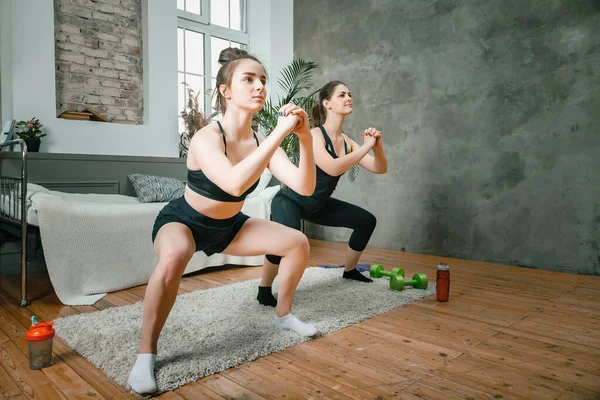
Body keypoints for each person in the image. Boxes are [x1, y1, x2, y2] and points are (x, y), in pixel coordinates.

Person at [127, 48, 317, 395]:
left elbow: (304, 186)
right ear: (226, 90)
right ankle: (146, 354)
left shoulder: (259, 141)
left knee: (297, 243)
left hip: (229, 226)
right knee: (173, 258)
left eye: (263, 80)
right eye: (248, 79)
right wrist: (280, 132)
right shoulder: (207, 137)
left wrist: (303, 137)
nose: (259, 86)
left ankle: (283, 316)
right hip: (184, 221)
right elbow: (232, 183)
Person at [257, 80, 388, 308]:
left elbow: (380, 168)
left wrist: (377, 147)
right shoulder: (315, 134)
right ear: (327, 103)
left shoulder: (346, 141)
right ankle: (264, 289)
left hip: (318, 204)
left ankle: (349, 271)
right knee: (284, 242)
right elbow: (333, 167)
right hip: (291, 200)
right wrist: (366, 147)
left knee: (366, 221)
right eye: (342, 95)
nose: (349, 98)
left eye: (349, 94)